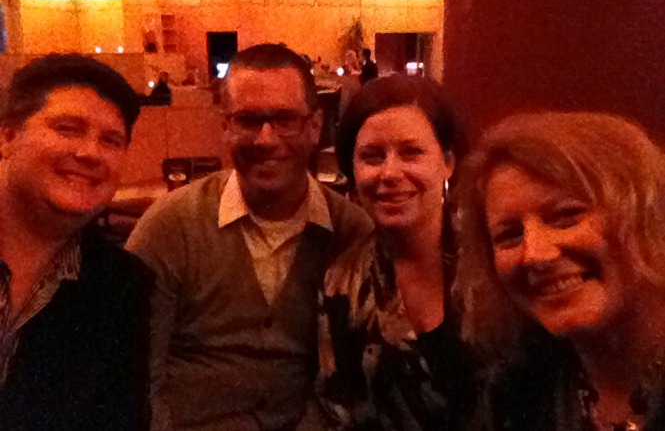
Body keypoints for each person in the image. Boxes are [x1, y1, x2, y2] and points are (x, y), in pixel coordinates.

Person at [126, 43, 373, 431]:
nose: (266, 139)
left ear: (315, 127)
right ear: (225, 126)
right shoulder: (170, 227)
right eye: (248, 120)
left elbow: (349, 385)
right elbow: (137, 380)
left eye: (285, 120)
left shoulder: (351, 233)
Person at [453, 112, 665, 430]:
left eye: (566, 217)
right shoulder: (513, 395)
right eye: (510, 235)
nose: (535, 253)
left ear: (646, 217)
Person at [0, 54, 151, 429]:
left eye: (111, 140)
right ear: (7, 137)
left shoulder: (120, 285)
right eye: (68, 129)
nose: (90, 152)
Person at [318, 75, 476, 430]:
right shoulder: (341, 282)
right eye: (372, 157)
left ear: (447, 162)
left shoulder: (495, 257)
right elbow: (339, 411)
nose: (389, 173)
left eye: (411, 152)